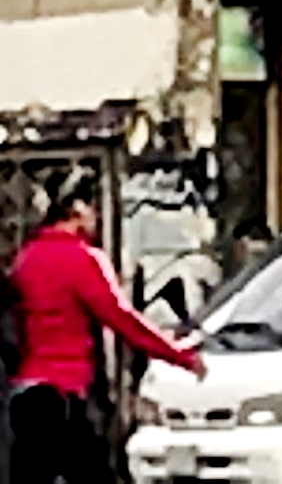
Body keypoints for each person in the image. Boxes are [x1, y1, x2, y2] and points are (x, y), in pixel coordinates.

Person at [11, 184, 205, 484]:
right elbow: (122, 319)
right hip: (65, 392)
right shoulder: (82, 258)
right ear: (77, 210)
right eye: (93, 209)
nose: (96, 219)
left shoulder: (26, 259)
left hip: (25, 394)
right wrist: (178, 354)